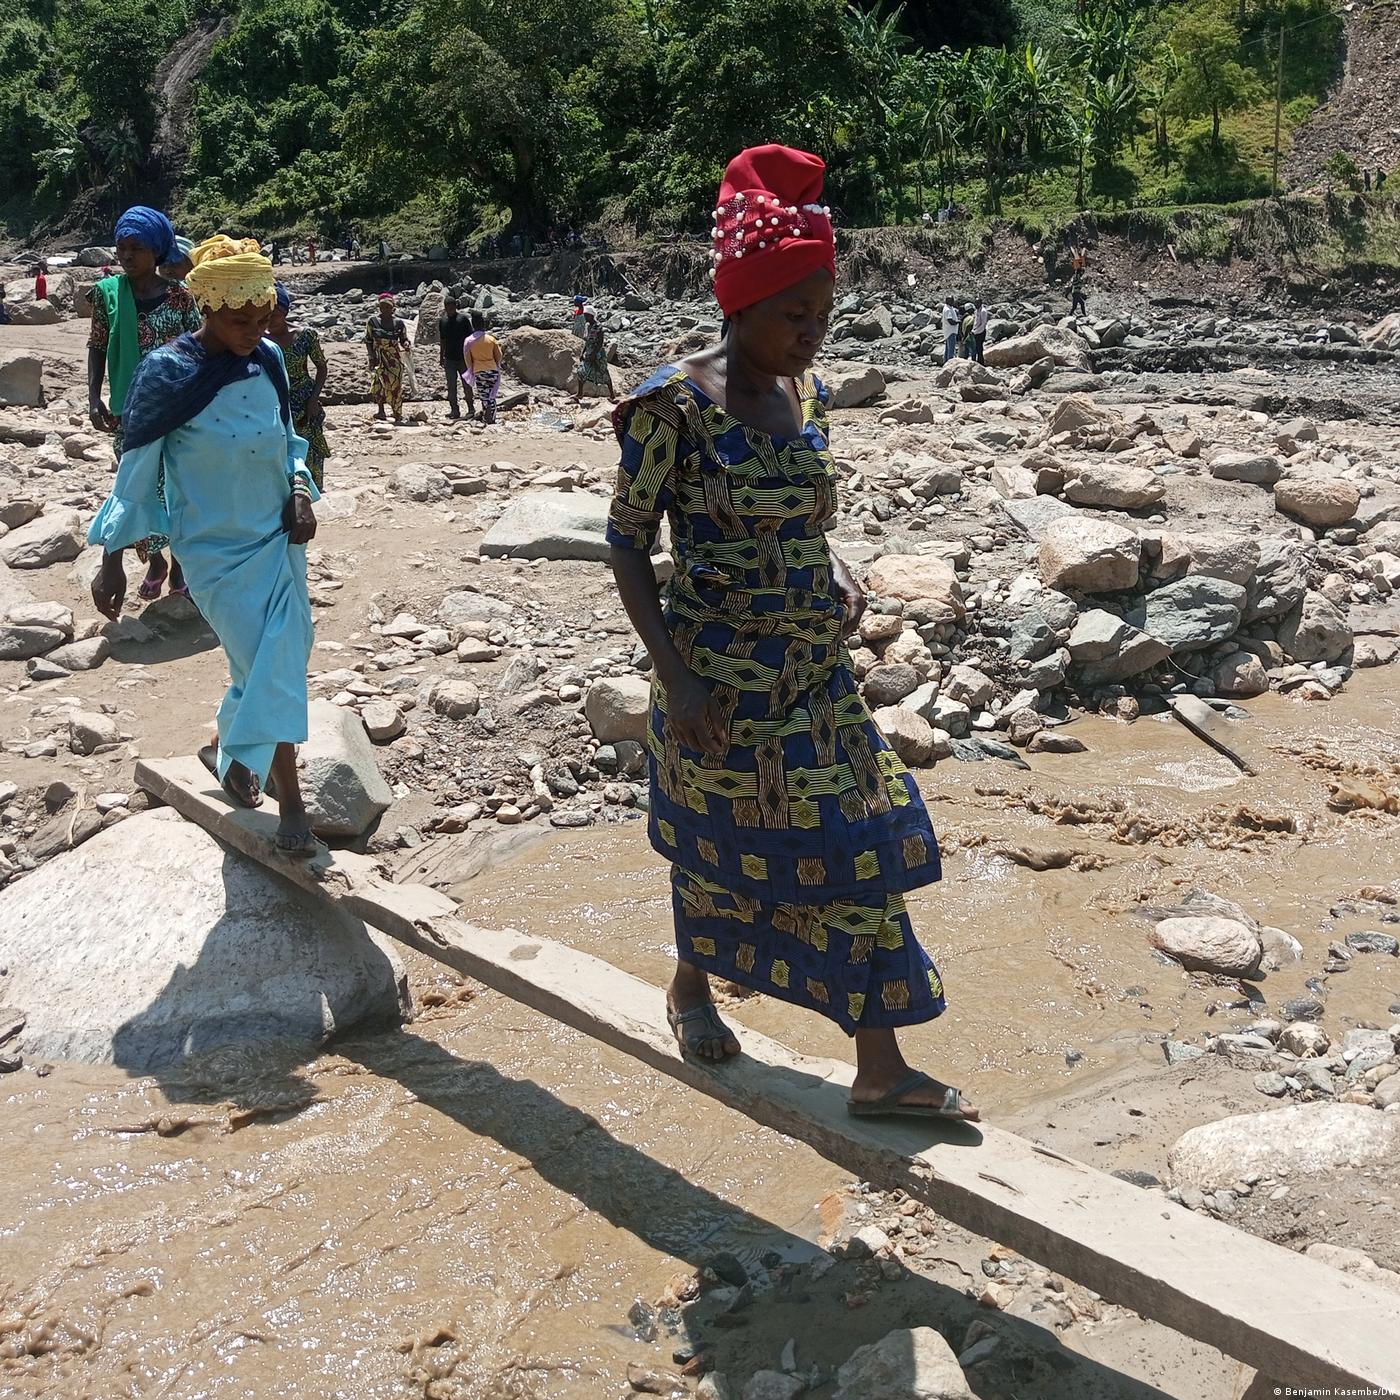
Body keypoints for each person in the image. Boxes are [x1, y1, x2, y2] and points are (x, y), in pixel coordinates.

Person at [606, 144, 975, 1122]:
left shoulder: (801, 395)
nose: (811, 336)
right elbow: (625, 542)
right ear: (738, 307)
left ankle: (879, 1069)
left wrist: (835, 566)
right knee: (717, 849)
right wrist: (676, 679)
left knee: (862, 844)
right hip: (718, 682)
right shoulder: (671, 407)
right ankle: (691, 988)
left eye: (822, 315)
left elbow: (801, 516)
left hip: (813, 676)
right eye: (791, 315)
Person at [88, 235, 319, 856]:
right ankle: (292, 804)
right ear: (206, 307)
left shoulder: (268, 358)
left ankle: (226, 750)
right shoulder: (167, 374)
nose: (254, 331)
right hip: (214, 549)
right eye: (240, 321)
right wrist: (112, 559)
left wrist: (300, 491)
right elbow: (135, 474)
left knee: (282, 654)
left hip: (277, 536)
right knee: (264, 659)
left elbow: (288, 439)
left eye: (262, 318)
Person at [89, 205, 204, 602]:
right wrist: (93, 397)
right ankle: (155, 561)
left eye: (136, 248)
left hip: (178, 411)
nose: (127, 256)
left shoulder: (180, 298)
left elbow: (200, 349)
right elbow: (97, 345)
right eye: (121, 248)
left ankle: (180, 566)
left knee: (179, 488)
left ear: (157, 250)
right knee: (136, 488)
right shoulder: (108, 294)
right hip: (129, 413)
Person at [268, 282, 330, 489]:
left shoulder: (305, 335)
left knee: (309, 444)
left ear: (285, 312)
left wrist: (313, 400)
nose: (270, 319)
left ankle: (312, 487)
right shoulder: (260, 339)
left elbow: (321, 367)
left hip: (302, 398)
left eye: (275, 314)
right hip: (273, 398)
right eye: (266, 314)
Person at [365, 292, 409, 423]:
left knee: (395, 385)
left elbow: (403, 339)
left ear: (392, 308)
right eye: (382, 307)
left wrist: (406, 344)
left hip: (394, 359)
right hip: (378, 358)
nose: (385, 310)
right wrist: (371, 356)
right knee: (378, 384)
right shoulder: (373, 322)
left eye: (388, 307)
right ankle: (381, 411)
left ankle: (396, 412)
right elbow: (368, 340)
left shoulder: (399, 323)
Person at [438, 292, 474, 420]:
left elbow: (471, 338)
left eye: (451, 306)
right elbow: (442, 340)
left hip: (464, 357)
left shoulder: (463, 319)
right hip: (449, 358)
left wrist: (472, 355)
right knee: (451, 386)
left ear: (455, 306)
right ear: (445, 307)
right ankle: (454, 410)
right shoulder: (443, 321)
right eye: (447, 307)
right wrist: (441, 356)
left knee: (467, 384)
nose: (450, 309)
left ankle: (471, 408)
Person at [465, 310, 503, 423]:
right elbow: (499, 355)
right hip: (492, 368)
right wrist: (495, 364)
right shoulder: (491, 339)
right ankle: (492, 416)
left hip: (478, 369)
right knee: (491, 394)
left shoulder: (468, 341)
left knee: (483, 394)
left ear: (473, 325)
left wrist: (471, 369)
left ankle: (487, 413)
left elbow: (467, 359)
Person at [574, 309, 616, 403]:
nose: (585, 317)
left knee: (604, 373)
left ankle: (612, 395)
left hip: (598, 354)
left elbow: (600, 343)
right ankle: (579, 394)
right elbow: (587, 341)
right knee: (581, 371)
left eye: (586, 315)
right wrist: (583, 352)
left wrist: (594, 354)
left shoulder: (598, 327)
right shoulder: (588, 326)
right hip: (589, 353)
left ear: (591, 316)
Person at [940, 295, 959, 364]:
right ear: (948, 301)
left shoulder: (949, 308)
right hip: (951, 332)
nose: (953, 302)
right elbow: (950, 321)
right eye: (951, 300)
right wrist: (958, 322)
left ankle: (945, 363)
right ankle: (950, 364)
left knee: (947, 349)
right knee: (951, 350)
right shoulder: (948, 310)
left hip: (948, 332)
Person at [971, 298, 988, 365]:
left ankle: (981, 362)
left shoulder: (983, 311)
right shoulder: (976, 311)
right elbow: (976, 322)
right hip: (975, 331)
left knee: (979, 348)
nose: (976, 304)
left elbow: (983, 324)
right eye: (975, 303)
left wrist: (976, 332)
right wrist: (973, 330)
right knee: (975, 348)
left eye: (977, 303)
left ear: (980, 303)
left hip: (981, 332)